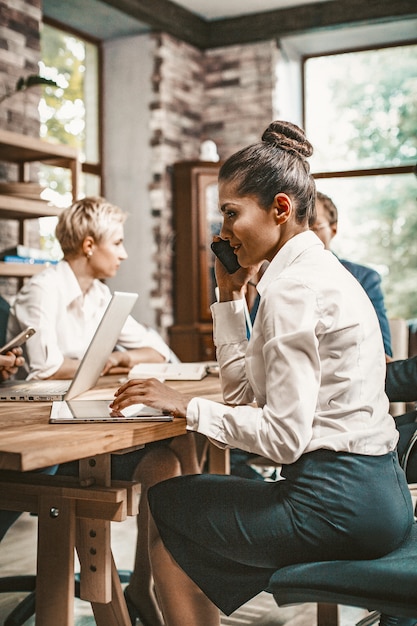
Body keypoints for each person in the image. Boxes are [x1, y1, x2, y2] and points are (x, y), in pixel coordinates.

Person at [110, 120, 414, 626]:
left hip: (334, 504)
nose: (222, 233)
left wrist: (187, 405)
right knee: (186, 506)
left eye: (231, 214)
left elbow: (283, 439)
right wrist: (230, 300)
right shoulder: (317, 273)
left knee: (169, 503)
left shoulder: (292, 288)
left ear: (280, 208)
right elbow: (247, 395)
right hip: (381, 496)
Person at [5, 197, 201, 626]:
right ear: (89, 245)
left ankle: (145, 589)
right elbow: (45, 368)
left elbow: (157, 351)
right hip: (46, 433)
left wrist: (111, 360)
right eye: (118, 242)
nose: (125, 253)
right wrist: (111, 359)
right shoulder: (43, 289)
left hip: (85, 419)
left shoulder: (100, 295)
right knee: (174, 444)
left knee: (170, 453)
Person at [311, 190, 392, 357]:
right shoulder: (276, 278)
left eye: (315, 228)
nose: (307, 237)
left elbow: (382, 352)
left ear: (333, 229)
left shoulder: (365, 278)